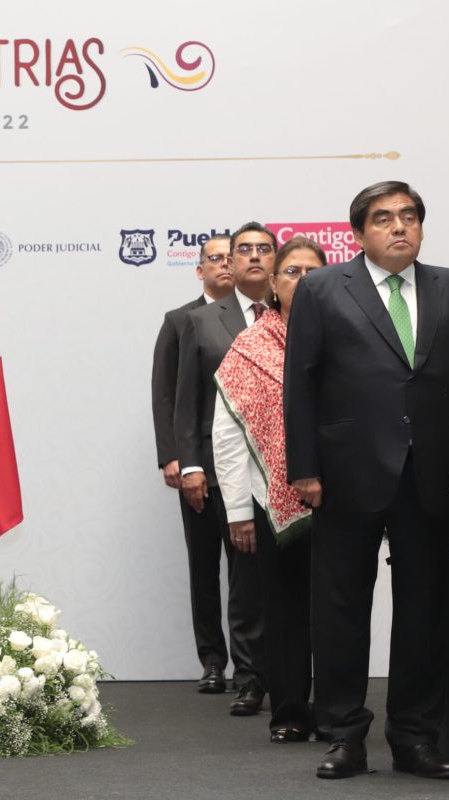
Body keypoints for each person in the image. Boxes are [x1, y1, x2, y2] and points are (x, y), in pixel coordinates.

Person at [284, 181, 449, 779]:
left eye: (409, 217)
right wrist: (303, 468)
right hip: (341, 477)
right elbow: (299, 384)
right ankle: (344, 735)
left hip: (428, 477)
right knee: (340, 610)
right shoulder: (321, 289)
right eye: (383, 219)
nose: (399, 227)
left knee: (425, 609)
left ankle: (413, 735)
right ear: (359, 233)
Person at [212, 236, 325, 743]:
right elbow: (228, 435)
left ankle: (341, 710)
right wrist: (237, 510)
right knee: (283, 612)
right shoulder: (249, 346)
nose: (302, 280)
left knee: (337, 610)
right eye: (292, 272)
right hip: (270, 502)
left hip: (344, 498)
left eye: (312, 272)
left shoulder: (349, 338)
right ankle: (291, 712)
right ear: (273, 286)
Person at [174, 222, 275, 715]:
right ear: (228, 264)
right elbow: (185, 401)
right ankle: (245, 673)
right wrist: (189, 461)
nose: (254, 257)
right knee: (236, 573)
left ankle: (284, 672)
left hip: (284, 471)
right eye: (244, 251)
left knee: (272, 576)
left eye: (264, 249)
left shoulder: (297, 311)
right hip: (220, 468)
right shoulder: (202, 321)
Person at [150, 235, 236, 693]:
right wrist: (174, 458)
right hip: (198, 463)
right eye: (214, 259)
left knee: (247, 570)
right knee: (204, 566)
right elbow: (166, 394)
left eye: (231, 257)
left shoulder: (257, 318)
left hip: (246, 467)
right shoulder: (179, 320)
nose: (224, 264)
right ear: (199, 269)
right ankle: (212, 660)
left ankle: (252, 663)